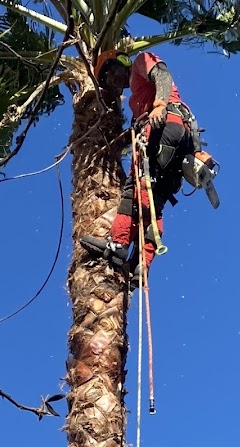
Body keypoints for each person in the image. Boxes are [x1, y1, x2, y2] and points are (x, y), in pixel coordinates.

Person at [81, 50, 196, 288]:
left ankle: (118, 244)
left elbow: (162, 74)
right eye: (105, 79)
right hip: (178, 140)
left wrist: (159, 104)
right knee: (156, 202)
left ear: (122, 62)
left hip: (165, 128)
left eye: (110, 71)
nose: (111, 80)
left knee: (135, 191)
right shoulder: (137, 100)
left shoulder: (140, 63)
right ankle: (141, 263)